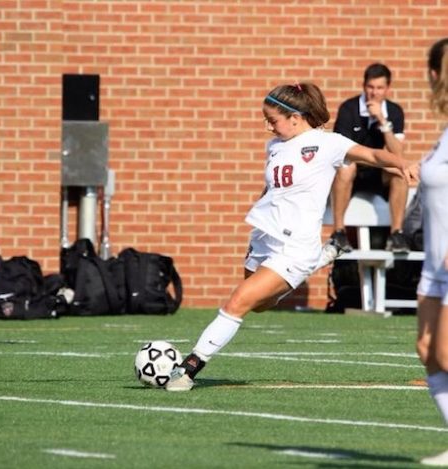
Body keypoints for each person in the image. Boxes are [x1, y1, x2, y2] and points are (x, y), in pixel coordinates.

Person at [166, 82, 410, 392]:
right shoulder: (276, 146)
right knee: (259, 305)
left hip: (296, 246)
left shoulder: (328, 143)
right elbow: (273, 190)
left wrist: (402, 163)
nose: (268, 126)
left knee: (237, 302)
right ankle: (324, 257)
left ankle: (188, 369)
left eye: (273, 119)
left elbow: (373, 155)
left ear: (296, 117)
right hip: (264, 237)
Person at [412, 38, 448, 467]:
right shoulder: (443, 134)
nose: (430, 78)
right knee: (426, 349)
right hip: (434, 264)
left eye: (433, 69)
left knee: (445, 352)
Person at [330, 63, 410, 253]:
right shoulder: (348, 109)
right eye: (370, 87)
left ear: (387, 88)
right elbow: (342, 151)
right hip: (352, 172)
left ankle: (396, 235)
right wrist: (372, 159)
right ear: (364, 86)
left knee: (399, 172)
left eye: (380, 88)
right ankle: (338, 233)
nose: (374, 93)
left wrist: (383, 122)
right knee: (346, 167)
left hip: (379, 173)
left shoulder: (395, 112)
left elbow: (397, 154)